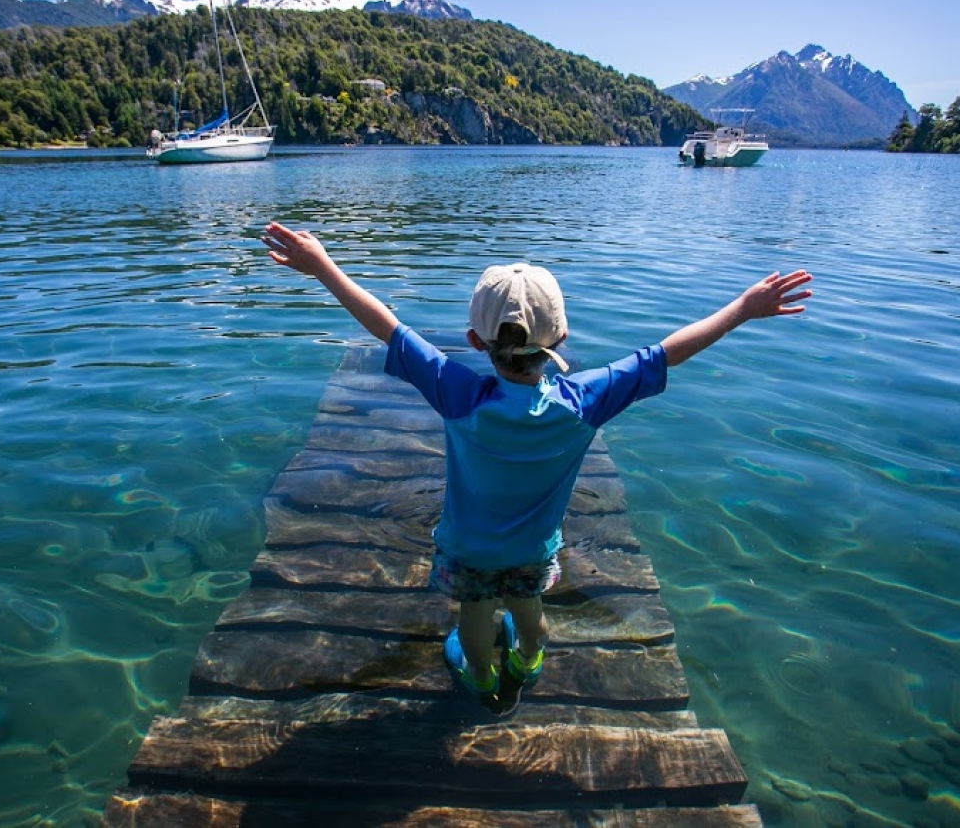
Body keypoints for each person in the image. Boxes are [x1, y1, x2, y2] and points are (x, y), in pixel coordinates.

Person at [261, 221, 812, 713]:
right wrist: (743, 309)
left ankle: (481, 677)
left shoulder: (460, 395)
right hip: (533, 548)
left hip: (470, 549)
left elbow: (388, 328)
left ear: (476, 342)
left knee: (474, 621)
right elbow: (666, 353)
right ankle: (527, 660)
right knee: (528, 610)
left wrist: (324, 267)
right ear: (562, 338)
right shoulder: (585, 400)